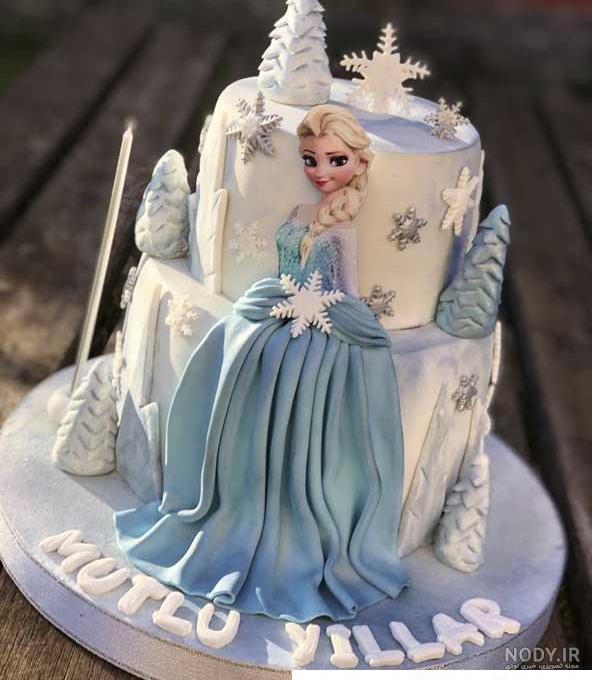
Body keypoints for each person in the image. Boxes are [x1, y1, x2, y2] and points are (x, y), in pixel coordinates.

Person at [114, 105, 408, 623]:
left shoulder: (343, 231)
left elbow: (346, 293)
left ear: (359, 164)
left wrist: (334, 321)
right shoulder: (298, 212)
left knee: (287, 381)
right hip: (277, 307)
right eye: (311, 159)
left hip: (313, 325)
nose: (321, 171)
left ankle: (278, 523)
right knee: (236, 348)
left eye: (335, 160)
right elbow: (287, 266)